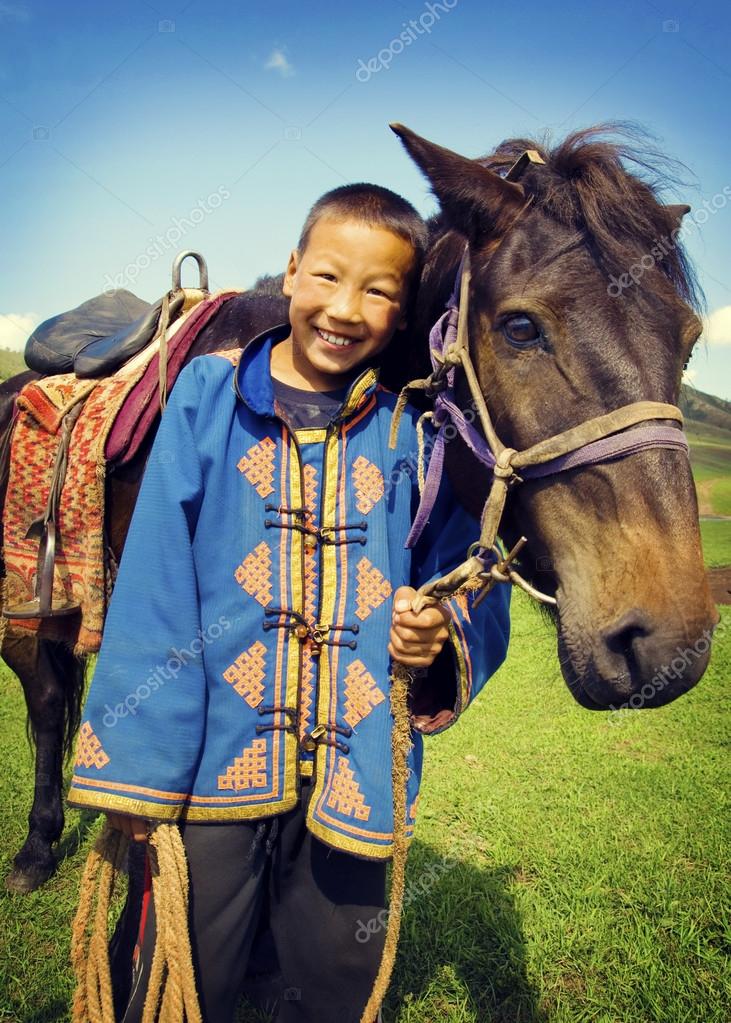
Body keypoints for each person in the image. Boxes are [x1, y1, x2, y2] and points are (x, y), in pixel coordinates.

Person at [68, 183, 511, 1023]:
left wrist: (437, 630)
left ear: (403, 307)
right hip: (210, 773)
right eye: (328, 278)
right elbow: (158, 583)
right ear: (291, 273)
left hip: (358, 774)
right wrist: (136, 768)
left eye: (379, 290)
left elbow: (466, 572)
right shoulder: (208, 396)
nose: (346, 308)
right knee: (181, 977)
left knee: (330, 986)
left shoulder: (409, 428)